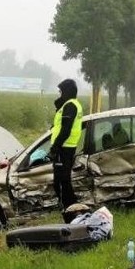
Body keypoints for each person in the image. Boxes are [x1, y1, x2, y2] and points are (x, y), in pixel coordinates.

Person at [49, 78, 83, 207]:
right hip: (68, 147)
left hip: (63, 148)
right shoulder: (73, 104)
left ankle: (69, 207)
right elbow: (61, 125)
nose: (60, 94)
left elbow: (65, 130)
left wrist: (55, 148)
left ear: (67, 91)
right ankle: (70, 205)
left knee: (61, 182)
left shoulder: (70, 106)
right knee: (64, 180)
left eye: (61, 92)